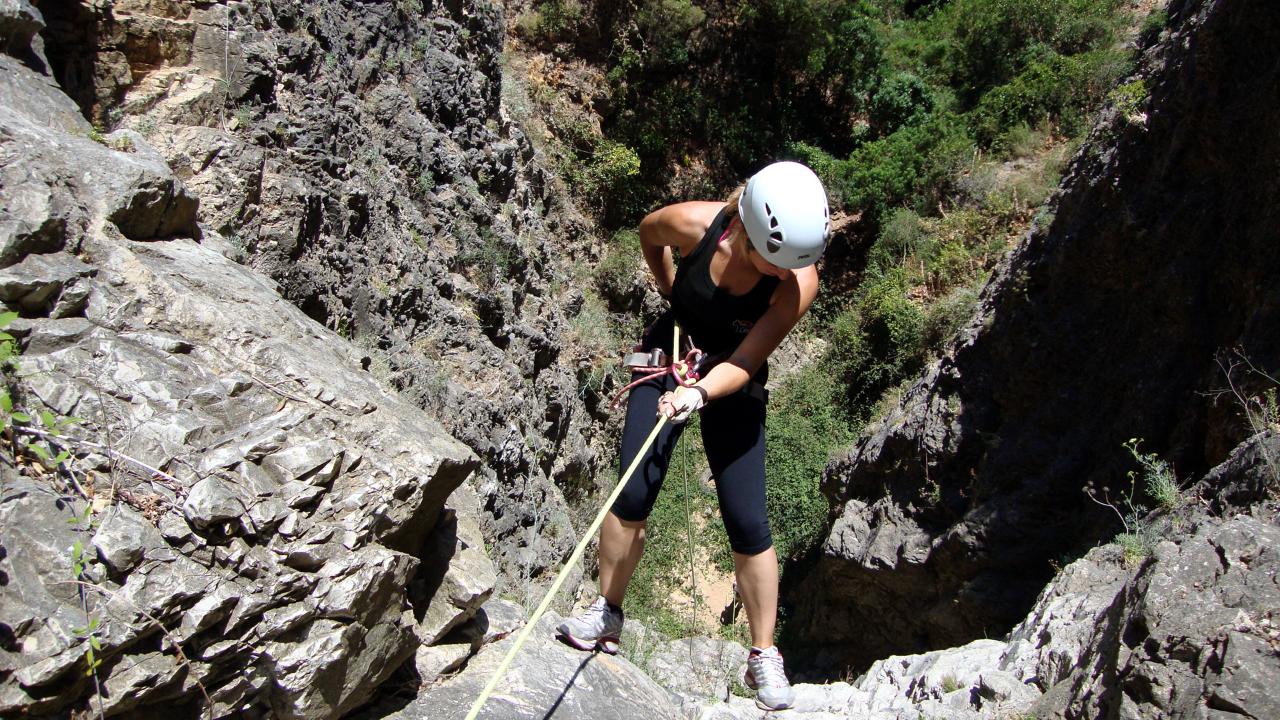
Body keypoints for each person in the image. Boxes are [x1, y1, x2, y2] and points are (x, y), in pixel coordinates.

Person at [557, 161, 830, 711]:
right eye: (770, 262)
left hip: (728, 372)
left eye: (790, 266)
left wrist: (699, 392)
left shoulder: (799, 281)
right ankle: (607, 611)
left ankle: (763, 655)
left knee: (748, 519)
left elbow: (750, 357)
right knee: (632, 491)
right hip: (671, 346)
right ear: (746, 229)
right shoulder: (691, 225)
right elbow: (646, 233)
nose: (781, 274)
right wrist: (674, 294)